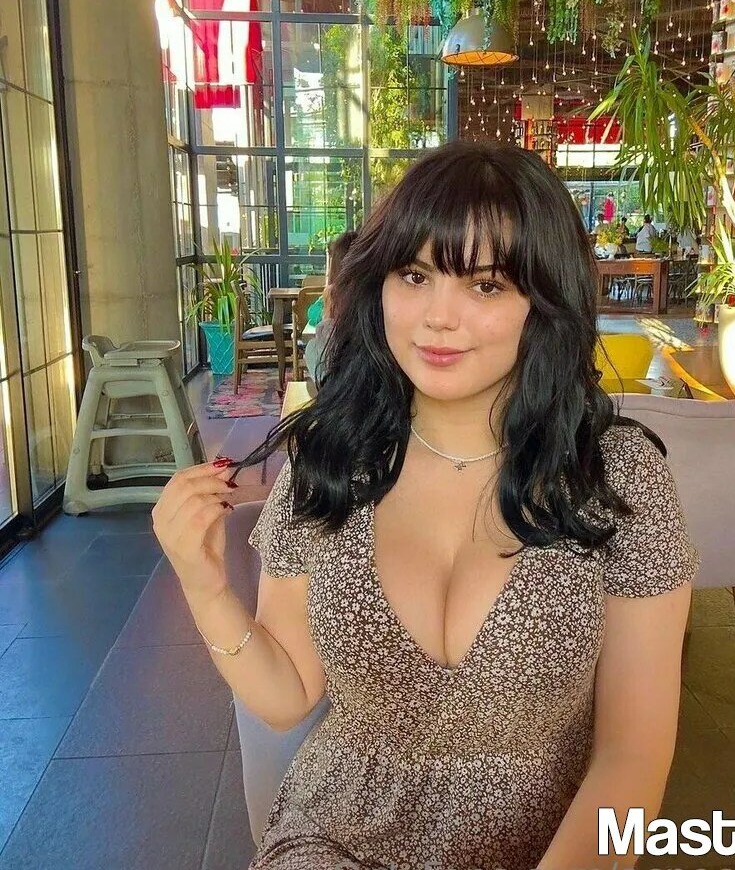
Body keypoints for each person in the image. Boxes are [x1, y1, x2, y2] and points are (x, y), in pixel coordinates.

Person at [150, 141, 699, 870]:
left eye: (486, 286)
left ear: (544, 303)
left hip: (546, 843)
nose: (438, 318)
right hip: (335, 835)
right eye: (414, 275)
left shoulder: (615, 477)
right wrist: (204, 585)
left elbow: (632, 754)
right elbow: (288, 696)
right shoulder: (330, 460)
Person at [303, 230, 358, 394]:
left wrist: (327, 308)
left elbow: (313, 317)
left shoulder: (335, 292)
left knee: (312, 348)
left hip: (343, 359)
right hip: (358, 360)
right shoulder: (374, 288)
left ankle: (329, 391)